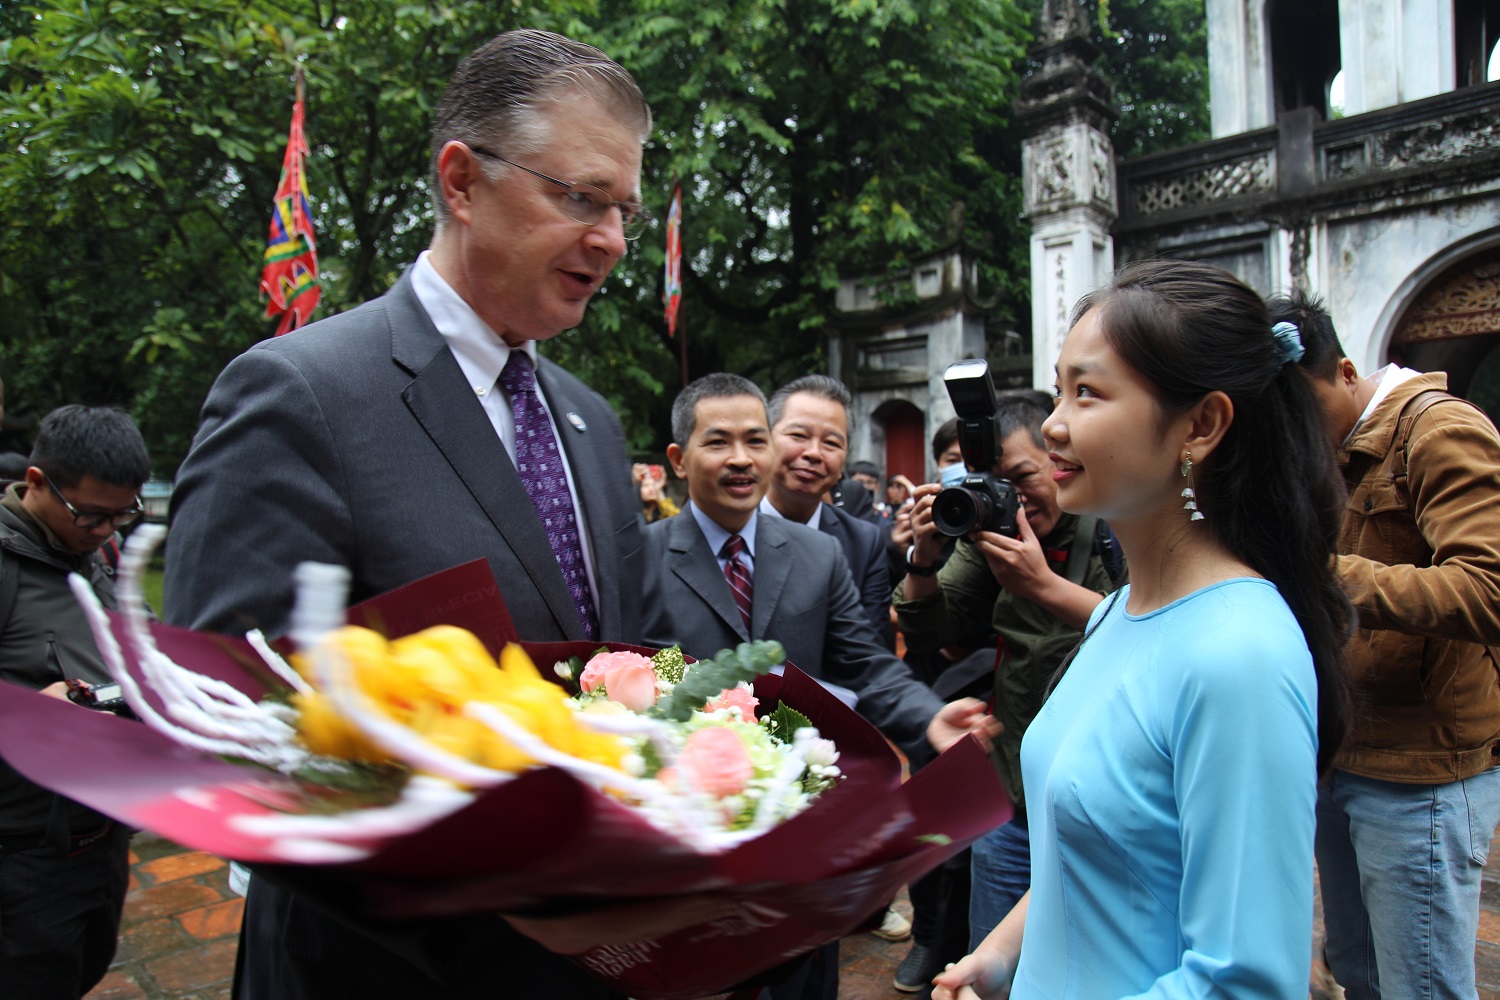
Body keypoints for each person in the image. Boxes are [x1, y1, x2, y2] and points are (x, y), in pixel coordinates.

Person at [165, 30, 652, 1000]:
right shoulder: (299, 394)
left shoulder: (592, 426)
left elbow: (620, 674)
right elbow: (224, 724)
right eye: (581, 197)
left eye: (625, 210)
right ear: (463, 182)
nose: (613, 239)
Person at [935, 259, 1350, 1000]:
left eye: (1087, 393)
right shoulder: (1117, 615)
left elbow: (1243, 984)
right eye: (1060, 389)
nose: (1054, 424)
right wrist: (998, 957)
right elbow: (1098, 853)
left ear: (1202, 425)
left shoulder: (1240, 656)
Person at [641, 372, 999, 1000]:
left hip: (804, 814)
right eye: (718, 442)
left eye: (755, 440)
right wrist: (718, 707)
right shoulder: (637, 558)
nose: (742, 459)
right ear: (679, 457)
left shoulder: (815, 555)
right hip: (690, 820)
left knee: (806, 978)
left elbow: (865, 660)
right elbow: (626, 665)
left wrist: (927, 715)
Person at [1279, 291, 1500, 1000]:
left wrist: (1327, 573)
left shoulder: (1439, 432)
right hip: (1342, 752)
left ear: (1345, 372)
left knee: (1423, 983)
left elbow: (1489, 589)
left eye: (1300, 417)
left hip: (1422, 768)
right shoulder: (1322, 454)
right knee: (1358, 970)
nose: (1294, 439)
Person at [891, 395, 1121, 991]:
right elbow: (928, 630)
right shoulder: (987, 540)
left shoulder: (1113, 530)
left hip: (1105, 791)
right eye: (993, 485)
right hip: (1015, 789)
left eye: (1021, 479)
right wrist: (922, 557)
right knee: (989, 964)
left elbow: (1158, 639)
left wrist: (1044, 587)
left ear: (1060, 461)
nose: (1010, 500)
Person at [0, 404, 149, 999]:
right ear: (37, 483)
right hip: (23, 852)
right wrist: (27, 715)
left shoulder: (97, 556)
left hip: (99, 835)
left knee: (81, 967)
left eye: (123, 514)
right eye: (91, 515)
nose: (107, 531)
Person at [763, 375, 893, 645]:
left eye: (831, 443)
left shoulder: (864, 544)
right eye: (798, 435)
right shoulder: (723, 528)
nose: (814, 453)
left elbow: (871, 653)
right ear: (765, 438)